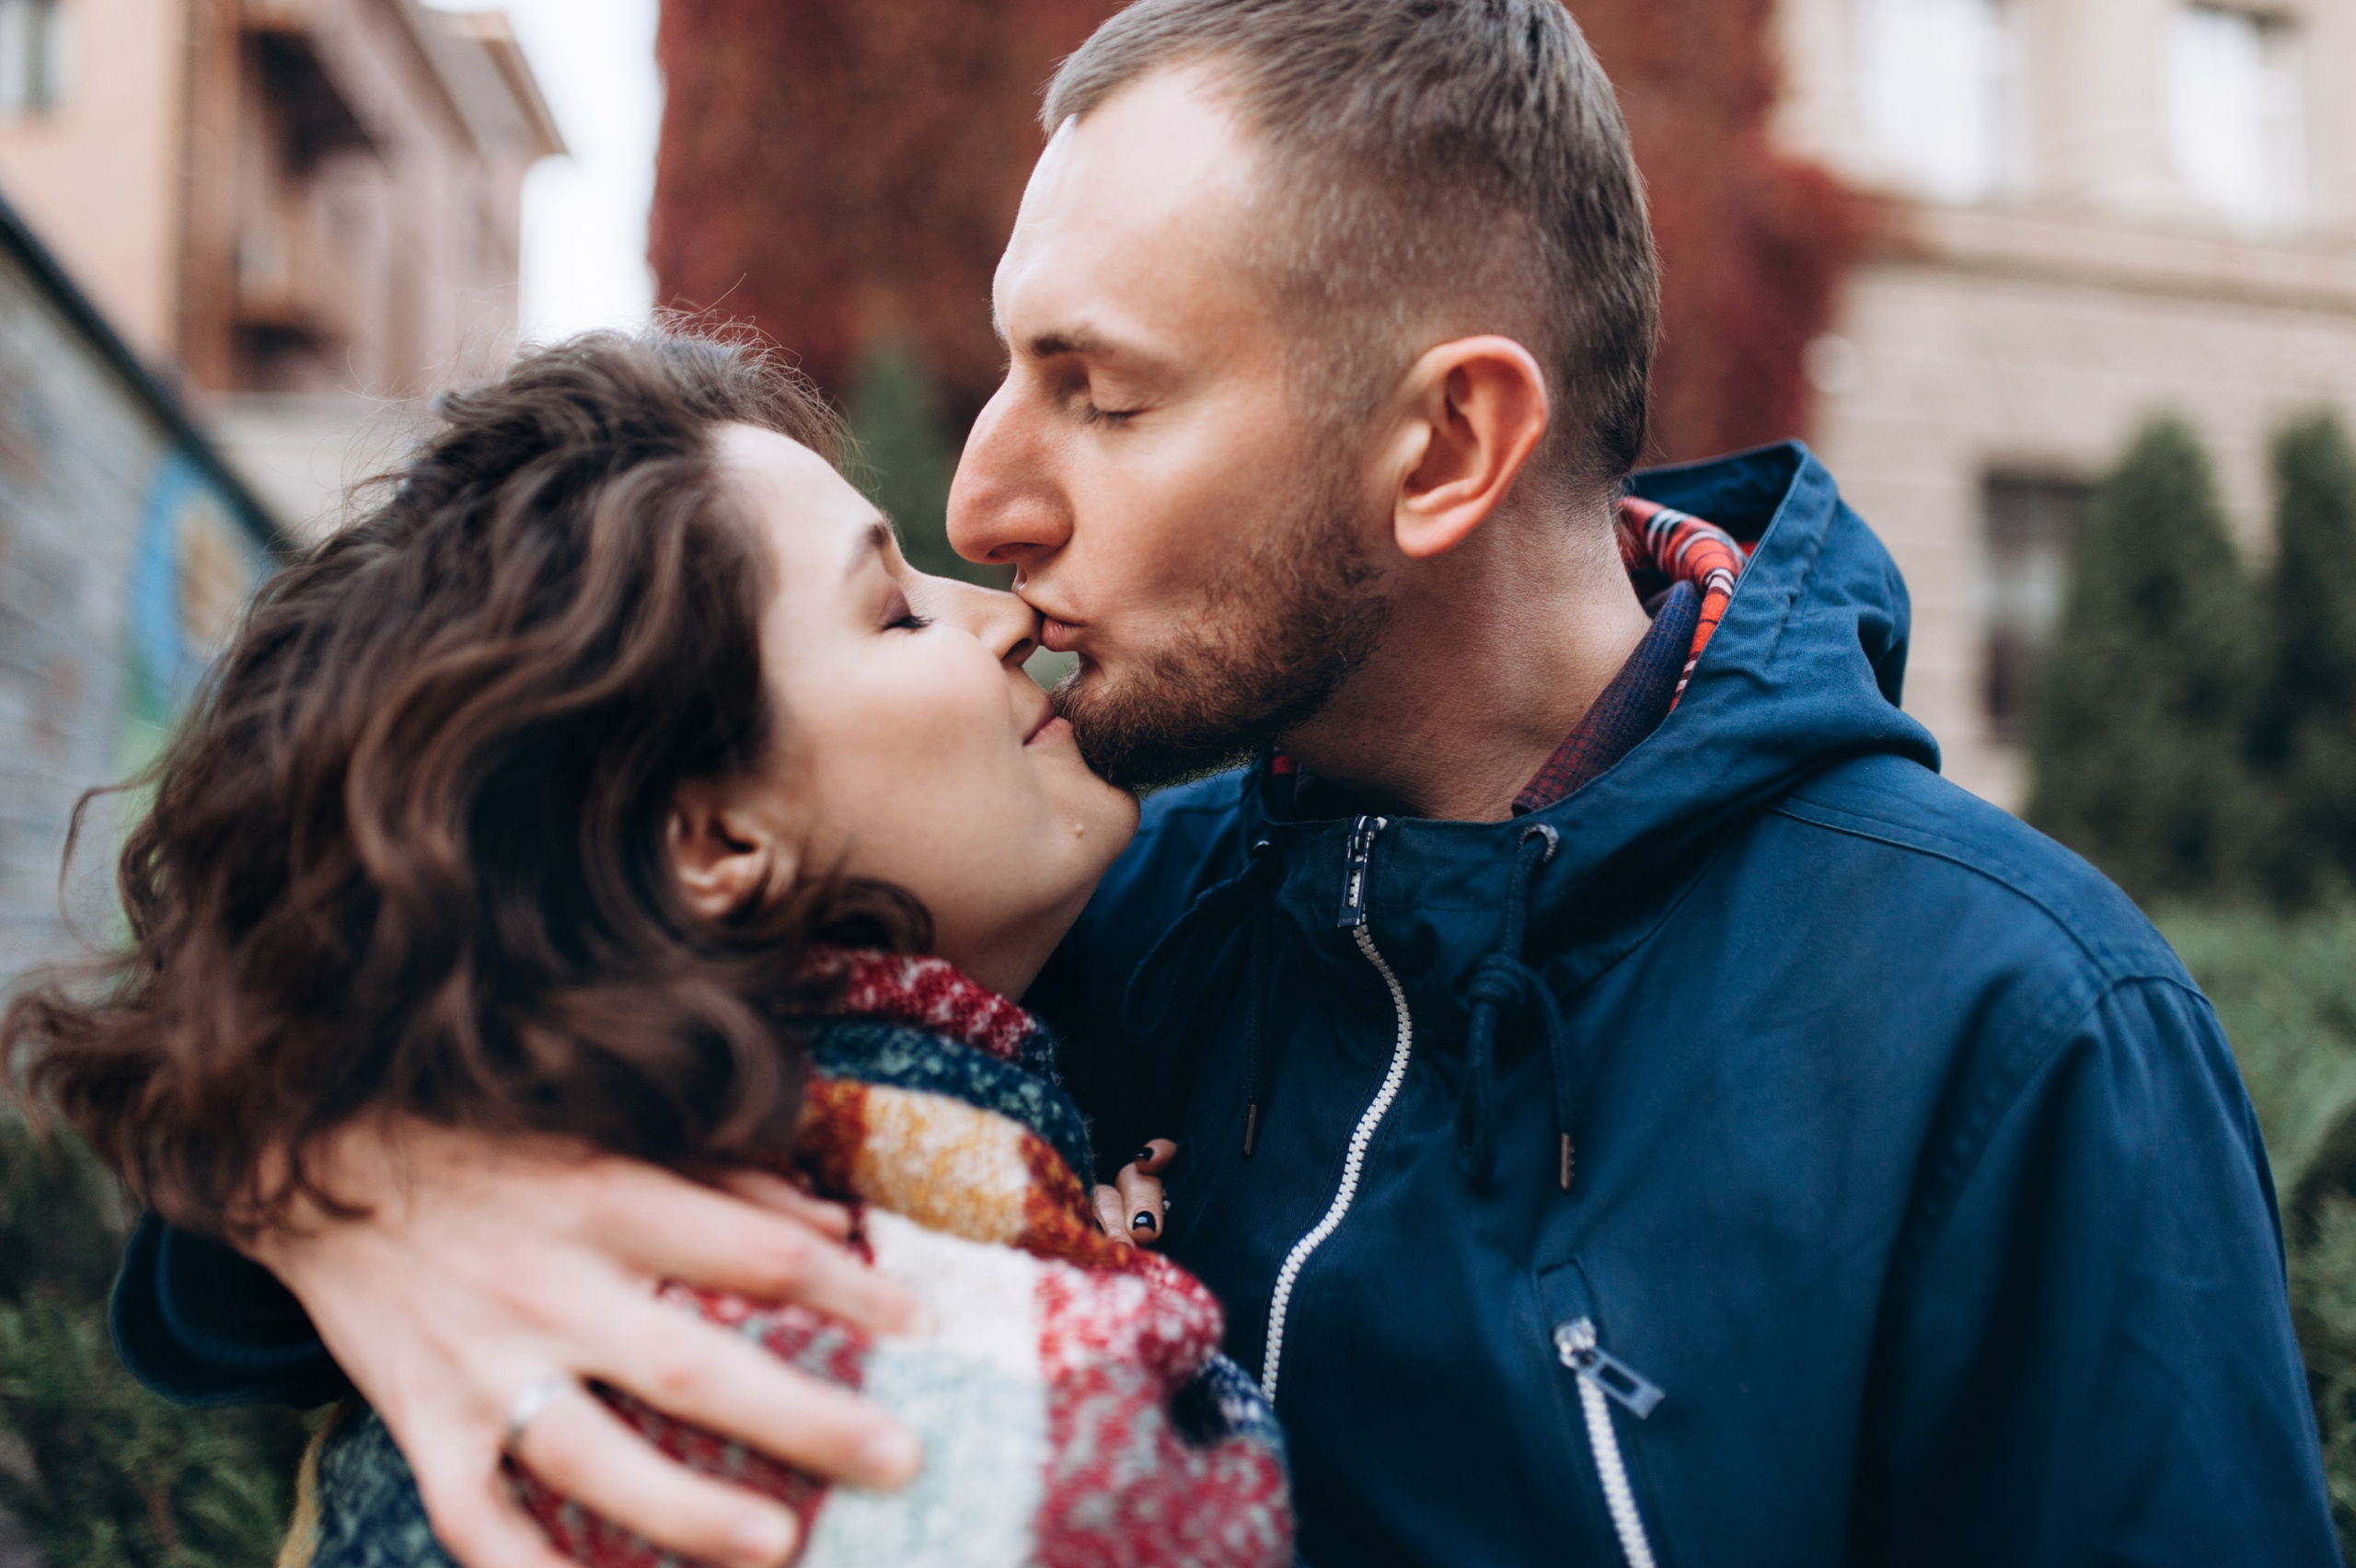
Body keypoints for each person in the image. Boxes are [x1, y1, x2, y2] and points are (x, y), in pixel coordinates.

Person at [81, 0, 2343, 1563]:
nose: (982, 494)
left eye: (1100, 391)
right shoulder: (1065, 917)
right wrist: (366, 1188)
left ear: (1443, 446)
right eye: (1002, 366)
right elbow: (440, 994)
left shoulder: (2007, 1028)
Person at [3, 332, 1289, 1567]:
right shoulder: (713, 1342)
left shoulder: (961, 1115)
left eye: (1117, 395)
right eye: (893, 612)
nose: (1004, 613)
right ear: (713, 842)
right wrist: (345, 1178)